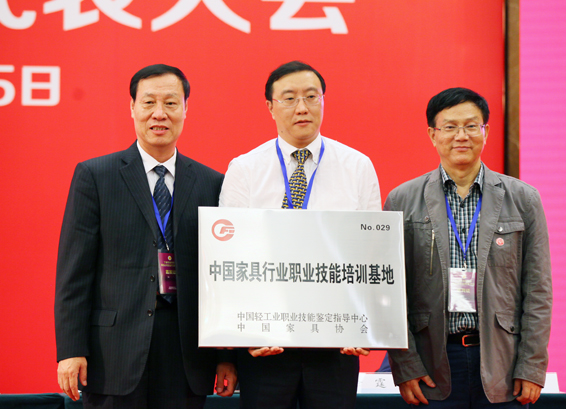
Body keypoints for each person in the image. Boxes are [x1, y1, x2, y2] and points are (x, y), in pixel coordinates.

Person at [55, 64, 237, 409]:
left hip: (186, 351)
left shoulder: (212, 183)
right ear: (132, 107)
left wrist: (226, 356)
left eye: (170, 103)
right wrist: (71, 349)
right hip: (113, 350)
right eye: (149, 102)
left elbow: (222, 279)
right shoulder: (96, 176)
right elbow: (74, 274)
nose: (159, 113)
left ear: (186, 109)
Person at [219, 60, 381, 409]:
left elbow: (371, 254)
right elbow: (230, 258)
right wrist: (242, 334)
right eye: (289, 98)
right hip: (265, 341)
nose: (302, 107)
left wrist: (363, 325)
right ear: (270, 107)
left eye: (311, 96)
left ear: (323, 101)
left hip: (335, 341)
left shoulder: (357, 166)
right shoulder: (245, 169)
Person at [384, 87, 552, 408]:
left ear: (485, 132)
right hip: (432, 364)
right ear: (433, 135)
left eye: (471, 126)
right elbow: (391, 292)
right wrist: (405, 365)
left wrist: (532, 366)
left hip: (503, 364)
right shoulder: (402, 200)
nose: (461, 136)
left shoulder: (523, 199)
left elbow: (538, 290)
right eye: (450, 127)